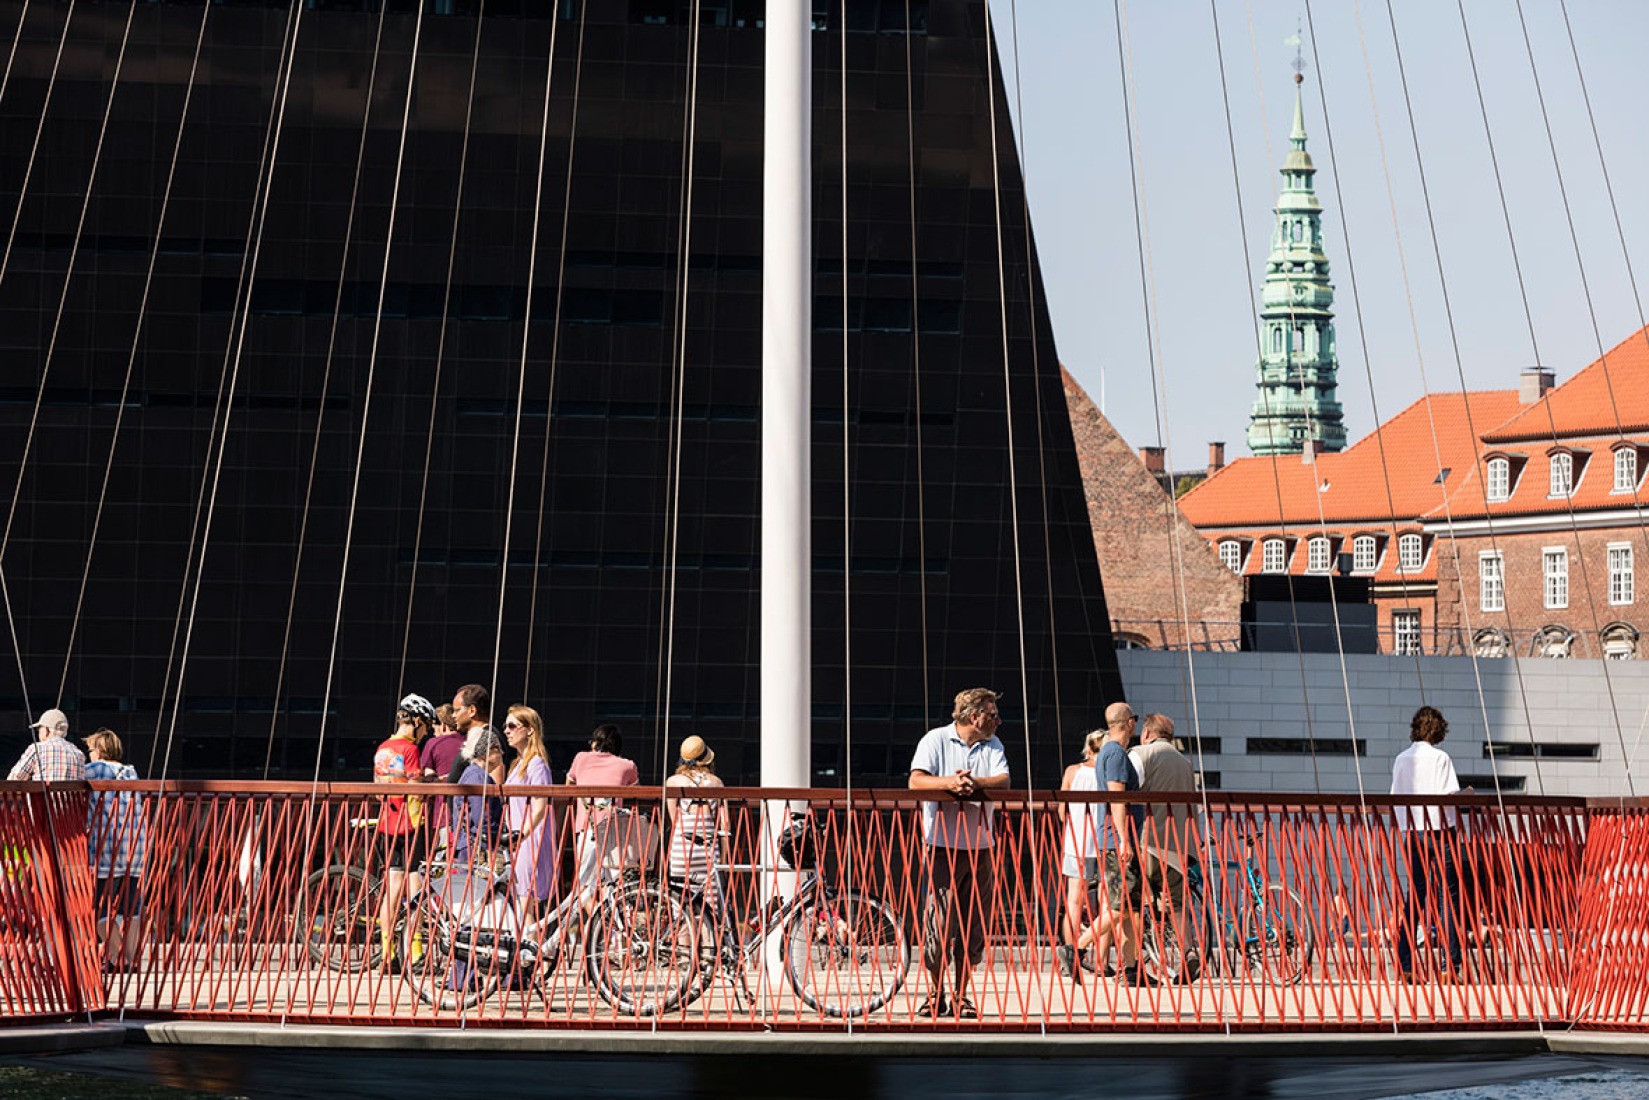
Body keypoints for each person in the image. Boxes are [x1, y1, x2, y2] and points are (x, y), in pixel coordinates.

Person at [908, 687, 1010, 1020]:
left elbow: (1004, 781)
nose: (997, 720)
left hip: (981, 848)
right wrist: (950, 785)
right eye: (992, 714)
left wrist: (972, 784)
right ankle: (936, 994)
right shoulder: (935, 740)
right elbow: (916, 782)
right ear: (972, 716)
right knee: (939, 924)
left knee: (973, 928)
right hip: (941, 846)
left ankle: (960, 995)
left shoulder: (993, 744)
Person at [1391, 704, 1465, 981]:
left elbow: (1395, 797)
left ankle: (1406, 964)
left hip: (1412, 832)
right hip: (1440, 831)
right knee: (1449, 898)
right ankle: (1449, 967)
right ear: (1438, 729)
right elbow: (1448, 796)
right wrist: (1466, 796)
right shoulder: (1441, 758)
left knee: (1415, 898)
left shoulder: (1401, 759)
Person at [1133, 713, 1202, 978]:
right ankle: (1188, 952)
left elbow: (1125, 790)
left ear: (1147, 732)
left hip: (1149, 840)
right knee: (1177, 901)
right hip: (1180, 843)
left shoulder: (1141, 754)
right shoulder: (1184, 763)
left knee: (1136, 899)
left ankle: (1136, 960)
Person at [373, 693, 434, 971]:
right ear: (417, 721)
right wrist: (429, 779)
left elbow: (377, 791)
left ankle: (387, 953)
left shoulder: (383, 748)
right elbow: (415, 788)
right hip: (411, 824)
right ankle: (416, 951)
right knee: (415, 888)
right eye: (426, 726)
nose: (426, 732)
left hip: (387, 823)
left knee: (392, 888)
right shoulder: (410, 750)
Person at [84, 729, 147, 972]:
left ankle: (116, 954)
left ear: (98, 750)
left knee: (96, 907)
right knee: (132, 906)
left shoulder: (94, 770)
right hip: (134, 846)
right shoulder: (130, 771)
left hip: (105, 847)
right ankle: (129, 962)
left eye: (90, 750)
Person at [1095, 701, 1148, 986]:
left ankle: (1130, 970)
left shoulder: (1111, 752)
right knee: (1121, 907)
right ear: (1128, 722)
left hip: (1118, 839)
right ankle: (1075, 947)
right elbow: (1117, 799)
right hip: (1119, 840)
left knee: (1131, 907)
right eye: (1134, 719)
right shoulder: (1115, 754)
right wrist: (1125, 838)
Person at [565, 723, 641, 909]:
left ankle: (598, 923)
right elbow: (636, 792)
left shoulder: (581, 758)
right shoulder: (627, 765)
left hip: (587, 829)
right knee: (615, 885)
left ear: (595, 743)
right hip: (614, 831)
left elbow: (568, 786)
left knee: (584, 886)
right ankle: (611, 930)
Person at [1056, 730, 1108, 983]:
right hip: (1103, 843)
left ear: (1087, 748)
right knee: (1105, 902)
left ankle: (1070, 955)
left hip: (1076, 843)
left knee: (1073, 902)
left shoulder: (1072, 772)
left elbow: (1061, 810)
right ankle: (1101, 960)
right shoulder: (1107, 773)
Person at [503, 705, 557, 917]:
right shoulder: (518, 764)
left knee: (525, 907)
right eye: (506, 726)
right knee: (521, 906)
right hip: (518, 841)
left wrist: (520, 836)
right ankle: (526, 949)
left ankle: (529, 950)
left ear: (530, 730)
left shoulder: (536, 765)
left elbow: (540, 808)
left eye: (512, 726)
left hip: (528, 841)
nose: (507, 731)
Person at [665, 735, 727, 913]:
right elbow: (725, 823)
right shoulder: (717, 783)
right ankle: (709, 941)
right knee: (712, 910)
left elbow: (674, 818)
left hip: (682, 848)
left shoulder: (673, 782)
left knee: (681, 908)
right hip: (708, 849)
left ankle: (684, 941)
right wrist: (723, 857)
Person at [449, 728, 506, 868]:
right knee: (477, 887)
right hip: (477, 847)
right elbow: (482, 816)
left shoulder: (472, 774)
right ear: (484, 752)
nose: (501, 753)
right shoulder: (478, 776)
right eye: (496, 748)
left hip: (471, 844)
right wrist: (493, 838)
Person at [8, 708, 85, 782]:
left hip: (45, 795)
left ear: (46, 730)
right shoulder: (79, 754)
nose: (38, 733)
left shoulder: (37, 748)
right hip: (72, 795)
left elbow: (14, 779)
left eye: (39, 729)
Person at [446, 684, 494, 783]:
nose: (453, 716)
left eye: (457, 710)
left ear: (472, 710)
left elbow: (494, 779)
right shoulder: (479, 736)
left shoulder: (488, 738)